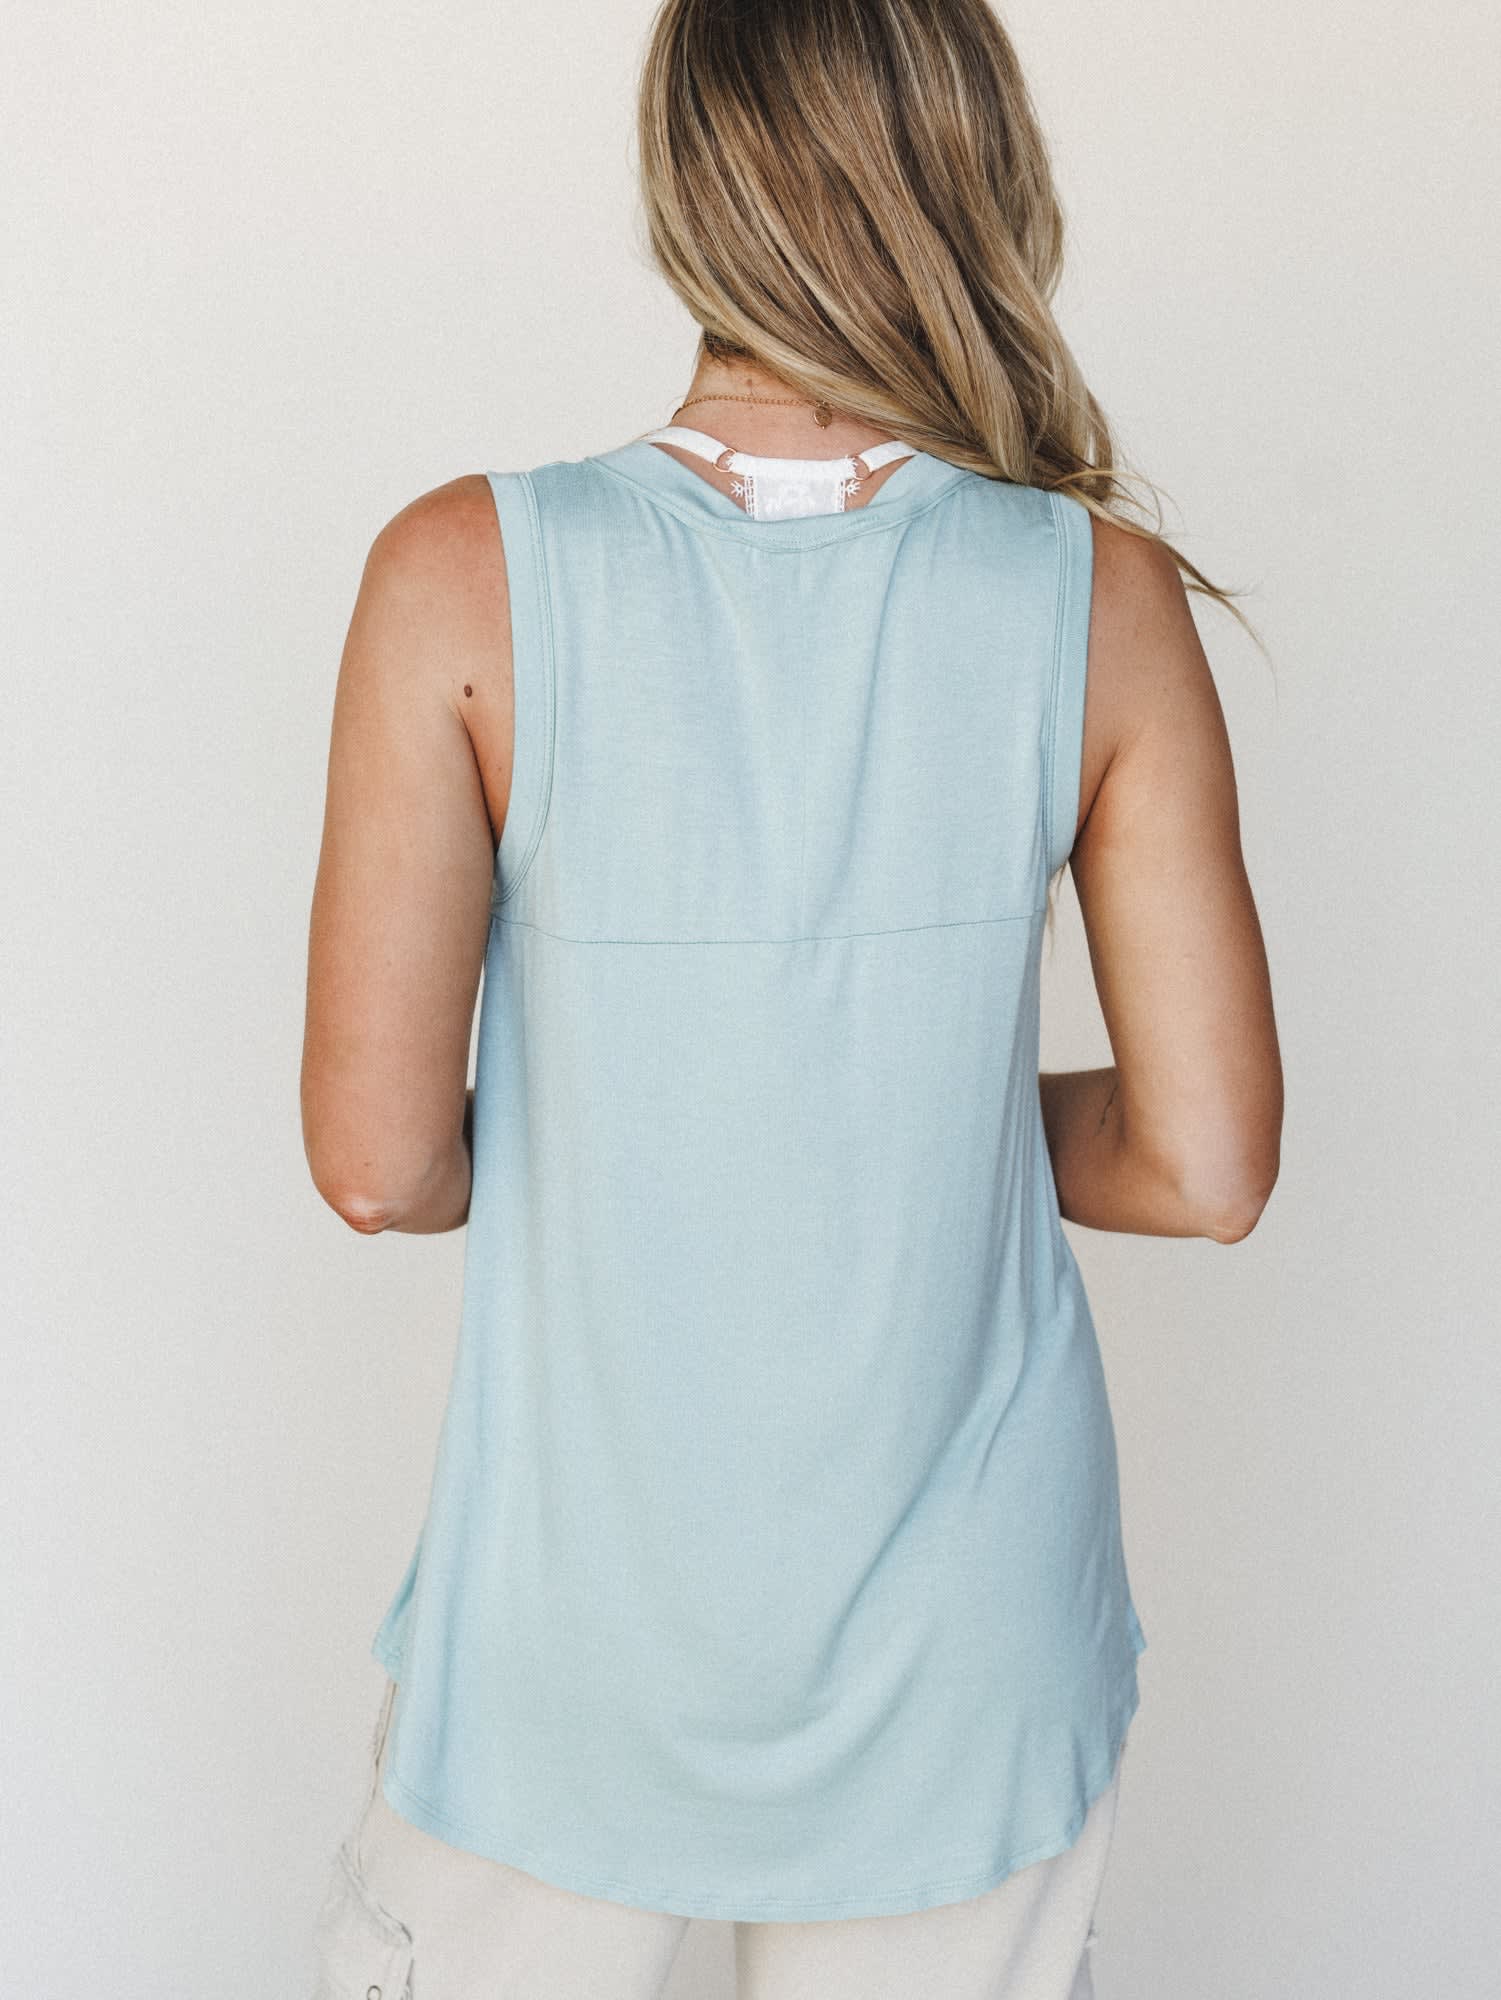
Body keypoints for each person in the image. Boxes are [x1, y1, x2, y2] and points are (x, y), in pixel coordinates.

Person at [299, 1, 1283, 1994]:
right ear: (979, 166)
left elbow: (382, 1167)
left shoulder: (457, 578)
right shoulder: (1096, 598)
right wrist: (890, 1107)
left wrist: (660, 1102)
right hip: (969, 1661)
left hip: (578, 1644)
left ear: (685, 178)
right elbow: (1203, 1164)